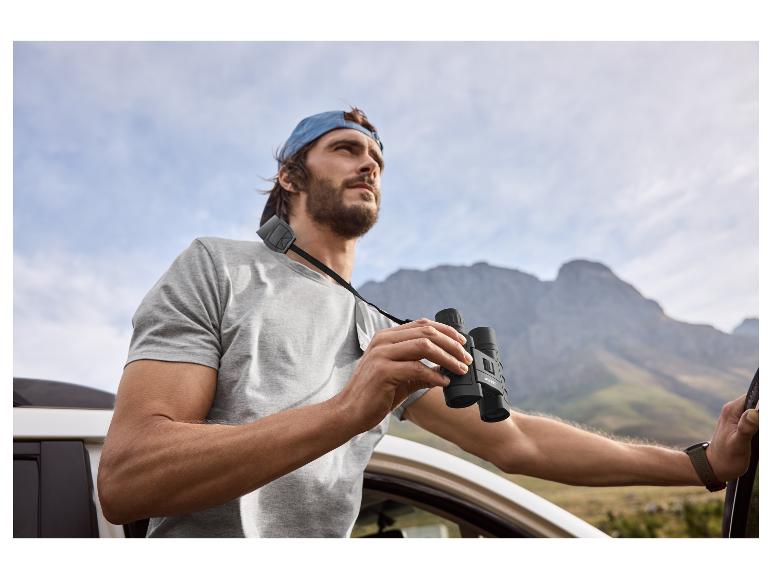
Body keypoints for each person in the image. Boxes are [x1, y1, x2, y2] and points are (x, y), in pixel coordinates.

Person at [97, 108, 759, 538]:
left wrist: (703, 464)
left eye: (377, 160)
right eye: (345, 148)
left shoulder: (379, 329)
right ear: (289, 175)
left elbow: (518, 440)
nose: (368, 164)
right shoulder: (218, 267)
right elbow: (128, 479)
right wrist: (349, 408)